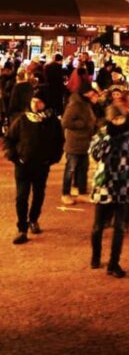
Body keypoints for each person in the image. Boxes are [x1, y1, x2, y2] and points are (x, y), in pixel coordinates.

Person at [89, 101, 129, 277]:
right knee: (98, 226)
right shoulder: (102, 136)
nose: (118, 121)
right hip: (105, 185)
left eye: (120, 118)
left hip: (124, 185)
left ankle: (114, 263)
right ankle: (96, 256)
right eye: (115, 118)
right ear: (109, 119)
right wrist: (107, 139)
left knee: (119, 227)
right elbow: (95, 154)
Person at [4, 92, 64, 244]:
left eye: (39, 102)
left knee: (38, 194)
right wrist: (14, 157)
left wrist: (52, 159)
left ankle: (33, 219)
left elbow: (59, 142)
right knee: (21, 197)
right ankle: (22, 229)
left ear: (46, 104)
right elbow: (9, 140)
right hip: (23, 165)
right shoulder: (22, 119)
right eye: (33, 101)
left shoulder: (52, 122)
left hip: (41, 165)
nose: (35, 105)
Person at [60, 83, 98, 204]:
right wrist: (82, 125)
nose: (94, 95)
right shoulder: (75, 104)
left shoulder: (86, 104)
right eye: (92, 93)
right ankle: (65, 193)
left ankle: (81, 191)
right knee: (71, 169)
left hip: (84, 141)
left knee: (83, 167)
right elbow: (65, 122)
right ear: (86, 93)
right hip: (74, 142)